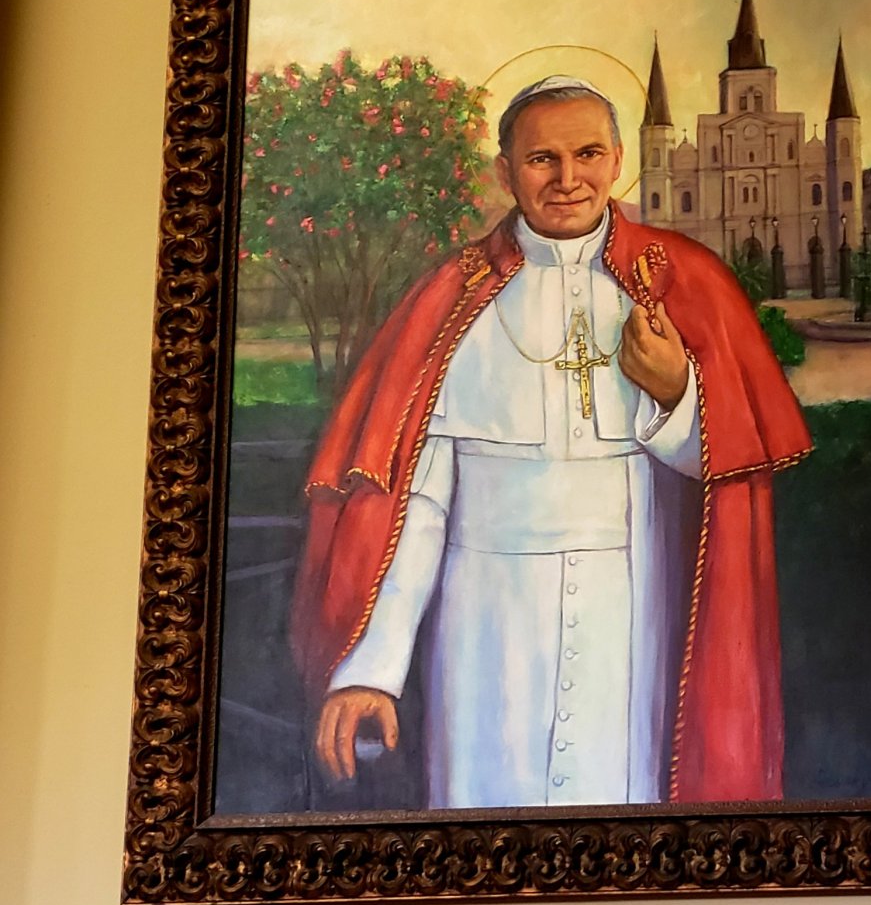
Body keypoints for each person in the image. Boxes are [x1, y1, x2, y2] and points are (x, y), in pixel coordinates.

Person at [291, 76, 811, 809]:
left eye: (588, 153)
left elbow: (730, 477)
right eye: (542, 159)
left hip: (632, 604)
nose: (568, 179)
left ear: (619, 160)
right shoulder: (454, 296)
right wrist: (372, 668)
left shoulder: (683, 279)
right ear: (507, 171)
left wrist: (676, 392)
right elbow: (416, 501)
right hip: (486, 617)